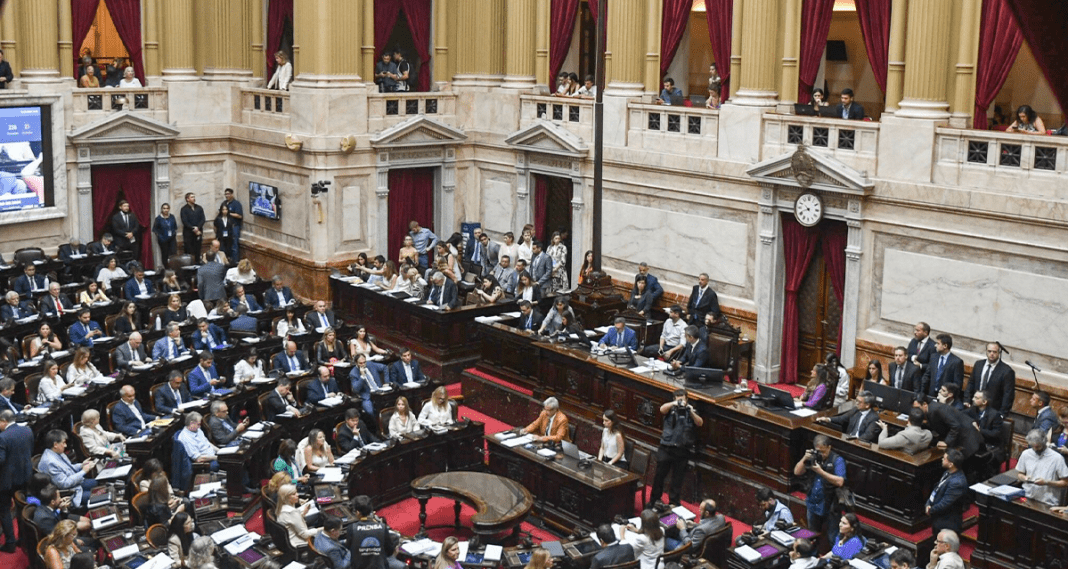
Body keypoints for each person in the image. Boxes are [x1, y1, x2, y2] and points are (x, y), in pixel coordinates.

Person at [649, 389, 702, 507]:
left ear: (687, 399)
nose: (681, 401)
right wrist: (674, 404)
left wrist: (691, 411)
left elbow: (700, 423)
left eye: (683, 399)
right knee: (659, 476)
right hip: (666, 448)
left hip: (682, 450)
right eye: (678, 399)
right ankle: (654, 500)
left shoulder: (691, 410)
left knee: (677, 479)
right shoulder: (670, 408)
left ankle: (674, 502)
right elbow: (662, 409)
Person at [793, 435, 845, 544]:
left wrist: (820, 472)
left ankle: (834, 558)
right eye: (818, 451)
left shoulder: (837, 460)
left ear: (829, 447)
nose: (821, 454)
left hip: (831, 505)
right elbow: (797, 472)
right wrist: (805, 458)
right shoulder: (813, 457)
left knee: (833, 537)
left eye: (823, 451)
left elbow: (840, 481)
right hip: (813, 503)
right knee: (812, 535)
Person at [0, 409, 33, 553]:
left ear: (3, 421)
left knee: (4, 510)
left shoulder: (3, 437)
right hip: (25, 475)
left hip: (6, 480)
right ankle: (23, 539)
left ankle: (10, 542)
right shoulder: (27, 430)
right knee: (21, 507)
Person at [39, 430, 97, 508]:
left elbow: (70, 467)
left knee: (98, 483)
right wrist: (84, 471)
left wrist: (81, 465)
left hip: (76, 484)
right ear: (55, 445)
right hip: (69, 492)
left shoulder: (58, 452)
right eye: (63, 443)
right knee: (96, 495)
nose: (65, 445)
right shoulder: (50, 463)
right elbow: (64, 484)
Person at [913, 394, 982, 459]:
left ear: (925, 404)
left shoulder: (936, 409)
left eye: (917, 408)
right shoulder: (931, 409)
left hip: (968, 440)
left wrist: (947, 442)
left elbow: (955, 426)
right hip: (960, 438)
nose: (916, 411)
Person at [348, 494, 404, 569]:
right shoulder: (382, 527)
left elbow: (349, 549)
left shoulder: (351, 528)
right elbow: (389, 551)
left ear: (358, 512)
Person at [1016, 428, 1068, 506]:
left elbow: (1065, 483)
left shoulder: (1057, 458)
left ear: (1044, 442)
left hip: (1048, 502)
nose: (1035, 449)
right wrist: (1025, 478)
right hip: (1027, 497)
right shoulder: (1026, 454)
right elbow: (1020, 474)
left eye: (1038, 447)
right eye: (1033, 446)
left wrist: (1046, 482)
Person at [925, 448, 968, 536]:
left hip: (947, 522)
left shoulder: (957, 482)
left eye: (944, 459)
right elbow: (936, 489)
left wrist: (931, 510)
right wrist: (928, 503)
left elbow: (945, 503)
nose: (941, 459)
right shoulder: (947, 472)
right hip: (938, 517)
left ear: (951, 464)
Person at [965, 342, 1015, 415]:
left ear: (999, 353)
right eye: (989, 351)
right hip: (974, 407)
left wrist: (1002, 414)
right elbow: (971, 383)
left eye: (994, 352)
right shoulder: (979, 364)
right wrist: (967, 400)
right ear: (986, 351)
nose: (991, 354)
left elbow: (1008, 395)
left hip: (992, 411)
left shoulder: (1007, 371)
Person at [816, 390, 880, 443]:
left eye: (859, 402)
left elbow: (867, 436)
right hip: (847, 440)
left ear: (867, 405)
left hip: (860, 444)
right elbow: (841, 418)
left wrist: (853, 440)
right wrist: (827, 419)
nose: (857, 403)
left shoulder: (874, 417)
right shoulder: (855, 410)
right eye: (856, 400)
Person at [277, 484, 321, 548]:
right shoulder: (292, 512)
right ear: (286, 497)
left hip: (288, 540)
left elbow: (291, 521)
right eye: (294, 494)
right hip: (298, 542)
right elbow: (305, 534)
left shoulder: (281, 507)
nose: (297, 495)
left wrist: (303, 514)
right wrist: (323, 529)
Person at [180, 192, 206, 261]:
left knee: (198, 250)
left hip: (198, 232)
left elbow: (203, 219)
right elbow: (185, 221)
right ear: (187, 199)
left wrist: (198, 228)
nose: (194, 198)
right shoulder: (184, 209)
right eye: (192, 197)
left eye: (194, 197)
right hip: (188, 234)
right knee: (189, 251)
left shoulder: (199, 208)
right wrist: (193, 228)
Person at [221, 188, 243, 261]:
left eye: (228, 194)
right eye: (226, 194)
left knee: (234, 245)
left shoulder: (236, 203)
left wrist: (229, 214)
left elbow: (239, 216)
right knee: (226, 244)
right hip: (225, 228)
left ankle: (235, 261)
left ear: (232, 194)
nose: (227, 196)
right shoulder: (224, 203)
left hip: (234, 227)